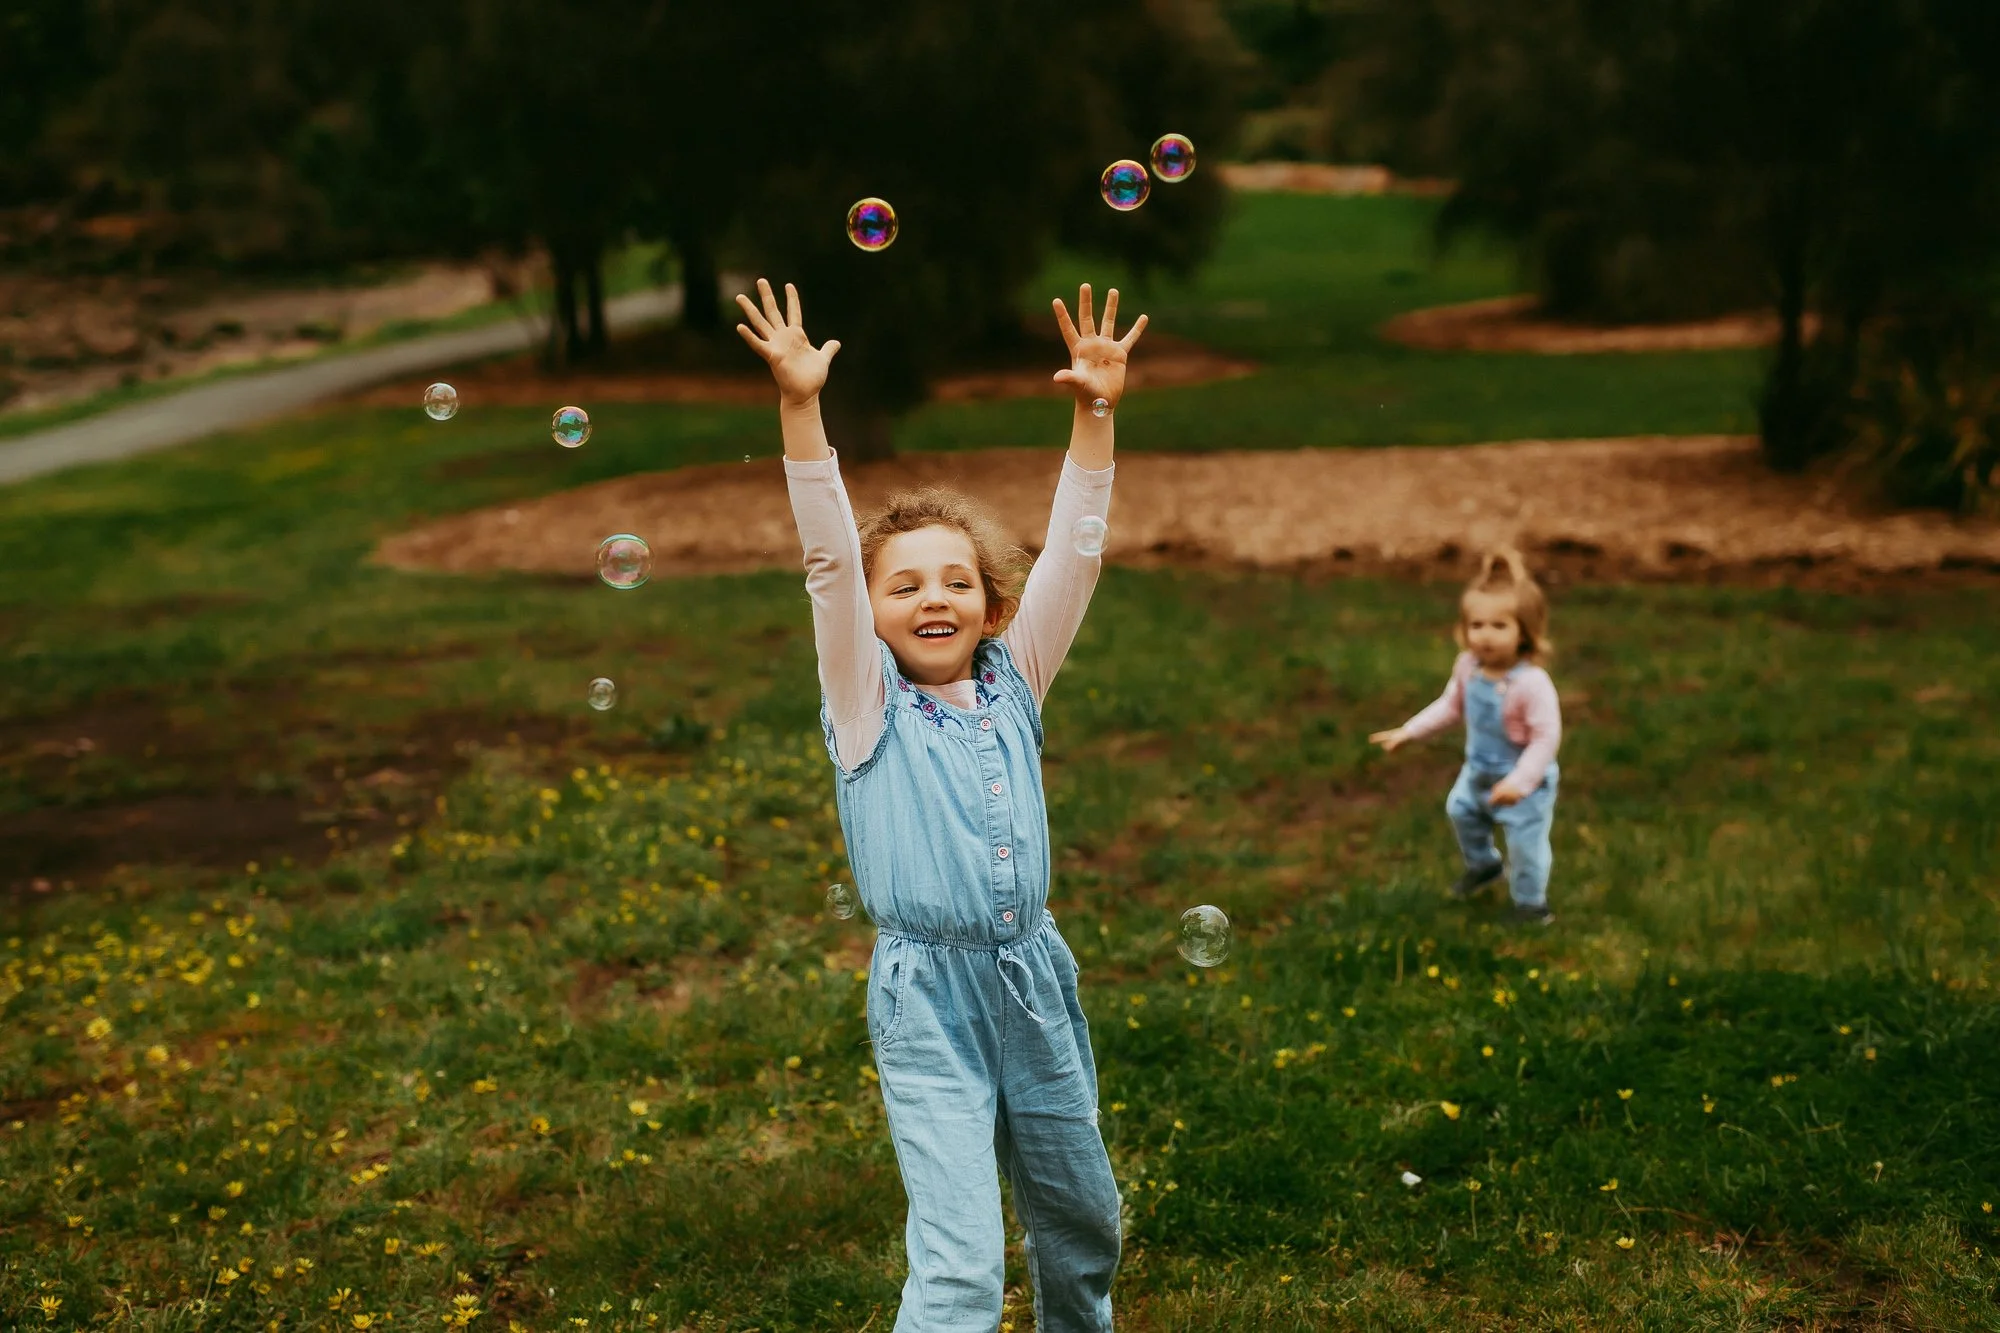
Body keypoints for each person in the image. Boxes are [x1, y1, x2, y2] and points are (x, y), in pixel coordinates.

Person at [735, 276, 1146, 1331]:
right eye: (905, 584)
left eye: (955, 581)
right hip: (927, 1000)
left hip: (1031, 974)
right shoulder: (864, 705)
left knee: (1083, 1218)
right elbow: (828, 556)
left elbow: (1078, 552)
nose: (932, 598)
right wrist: (799, 406)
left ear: (993, 606)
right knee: (960, 1265)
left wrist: (1093, 413)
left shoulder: (1017, 674)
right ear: (868, 618)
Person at [1370, 548, 1563, 926]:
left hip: (1525, 782)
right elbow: (1450, 706)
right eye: (1476, 625)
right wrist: (1409, 731)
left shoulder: (1531, 684)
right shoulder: (1468, 668)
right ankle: (1485, 866)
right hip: (1478, 770)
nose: (1484, 636)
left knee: (1526, 847)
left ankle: (1532, 906)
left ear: (1526, 631)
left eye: (1499, 626)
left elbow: (1545, 738)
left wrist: (1520, 783)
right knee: (1460, 812)